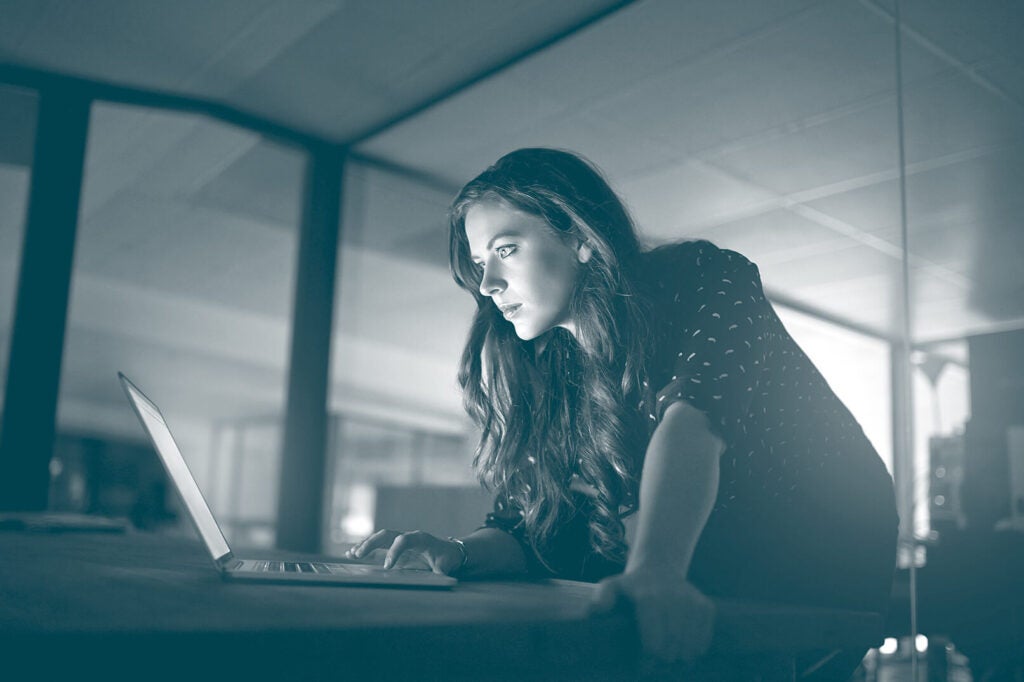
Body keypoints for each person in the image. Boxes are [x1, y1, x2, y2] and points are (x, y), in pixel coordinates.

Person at [347, 148, 899, 674]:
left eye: (506, 249)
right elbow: (530, 527)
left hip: (823, 565)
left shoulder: (704, 275)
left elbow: (695, 418)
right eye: (478, 263)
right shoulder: (556, 371)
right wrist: (457, 553)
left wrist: (656, 568)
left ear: (580, 238)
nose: (488, 284)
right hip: (710, 577)